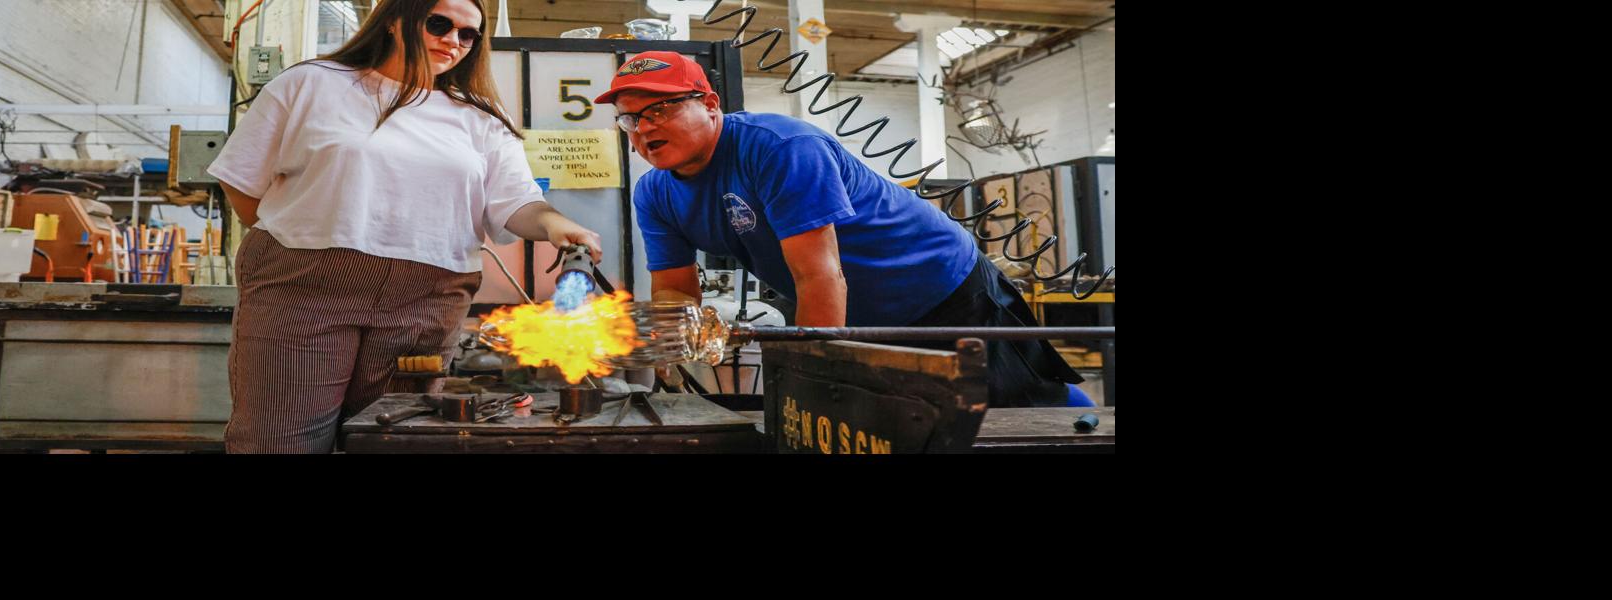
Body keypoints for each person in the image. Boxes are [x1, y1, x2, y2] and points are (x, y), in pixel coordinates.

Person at [207, 0, 602, 453]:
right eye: (439, 24)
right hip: (306, 288)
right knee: (279, 440)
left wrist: (554, 222)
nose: (453, 41)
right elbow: (242, 185)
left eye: (468, 34)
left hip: (427, 299)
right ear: (396, 21)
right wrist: (306, 233)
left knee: (394, 439)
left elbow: (515, 201)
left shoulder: (480, 117)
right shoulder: (311, 83)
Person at [597, 51, 1084, 407]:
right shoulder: (654, 192)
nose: (642, 128)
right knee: (898, 421)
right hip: (855, 309)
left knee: (1014, 412)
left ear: (709, 102)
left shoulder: (780, 147)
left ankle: (1090, 424)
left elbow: (819, 275)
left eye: (660, 109)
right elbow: (675, 294)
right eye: (630, 118)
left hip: (940, 286)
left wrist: (815, 382)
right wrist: (667, 349)